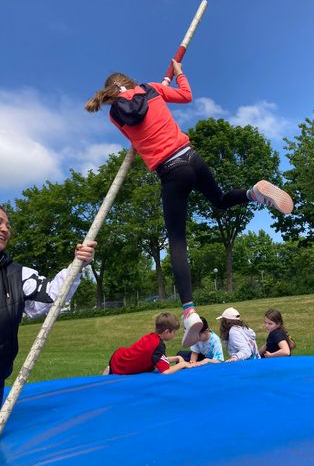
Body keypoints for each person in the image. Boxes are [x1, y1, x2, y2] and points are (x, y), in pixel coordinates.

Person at [85, 60, 294, 347]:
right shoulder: (153, 89)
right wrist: (179, 74)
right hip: (191, 157)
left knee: (177, 241)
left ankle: (190, 312)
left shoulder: (115, 115)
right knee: (220, 200)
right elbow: (186, 96)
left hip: (170, 170)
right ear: (132, 83)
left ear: (110, 94)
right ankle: (253, 193)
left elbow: (134, 136)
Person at [0, 205, 97, 404]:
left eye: (7, 224)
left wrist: (77, 264)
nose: (5, 229)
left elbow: (53, 295)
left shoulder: (18, 275)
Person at [105, 312, 200, 376]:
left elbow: (157, 358)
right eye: (174, 332)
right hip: (120, 367)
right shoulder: (158, 346)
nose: (174, 335)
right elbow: (165, 371)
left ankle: (109, 370)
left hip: (118, 357)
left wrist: (177, 358)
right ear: (167, 332)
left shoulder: (151, 337)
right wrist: (183, 364)